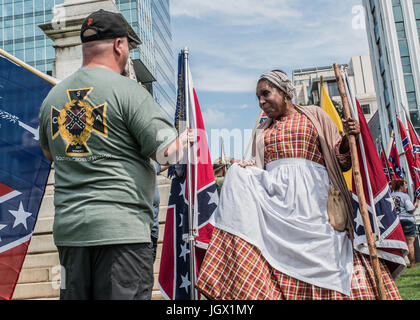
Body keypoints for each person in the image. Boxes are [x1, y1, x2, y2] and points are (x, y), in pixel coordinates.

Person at [196, 70, 401, 300]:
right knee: (237, 176)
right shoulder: (262, 130)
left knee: (333, 256)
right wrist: (245, 167)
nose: (261, 102)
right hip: (278, 206)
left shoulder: (315, 115)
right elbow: (258, 167)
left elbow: (340, 159)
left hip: (317, 201)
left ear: (285, 92)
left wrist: (347, 141)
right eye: (258, 98)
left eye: (266, 94)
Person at [38, 9, 189, 300]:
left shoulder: (52, 99)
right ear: (119, 45)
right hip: (123, 236)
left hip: (71, 237)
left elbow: (49, 155)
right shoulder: (128, 92)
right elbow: (166, 153)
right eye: (129, 48)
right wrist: (187, 139)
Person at [391, 179, 418, 268]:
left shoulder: (390, 195)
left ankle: (398, 265)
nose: (406, 187)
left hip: (395, 222)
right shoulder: (405, 196)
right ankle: (413, 264)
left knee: (397, 244)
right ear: (401, 186)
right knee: (410, 242)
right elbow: (410, 210)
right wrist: (415, 206)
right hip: (407, 220)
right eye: (405, 185)